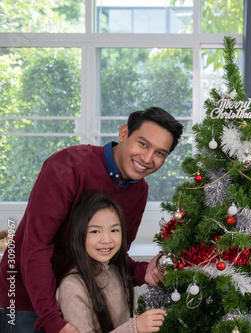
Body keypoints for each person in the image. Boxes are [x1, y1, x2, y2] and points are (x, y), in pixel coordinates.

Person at [0, 106, 183, 333]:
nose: (147, 158)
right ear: (124, 133)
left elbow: (110, 254)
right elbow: (35, 246)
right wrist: (52, 319)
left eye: (160, 153)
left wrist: (142, 272)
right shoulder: (67, 166)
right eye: (143, 144)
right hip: (26, 296)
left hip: (81, 298)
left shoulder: (139, 191)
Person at [57, 193, 168, 333]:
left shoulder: (115, 272)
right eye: (95, 231)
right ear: (79, 234)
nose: (107, 239)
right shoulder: (72, 286)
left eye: (114, 230)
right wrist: (134, 328)